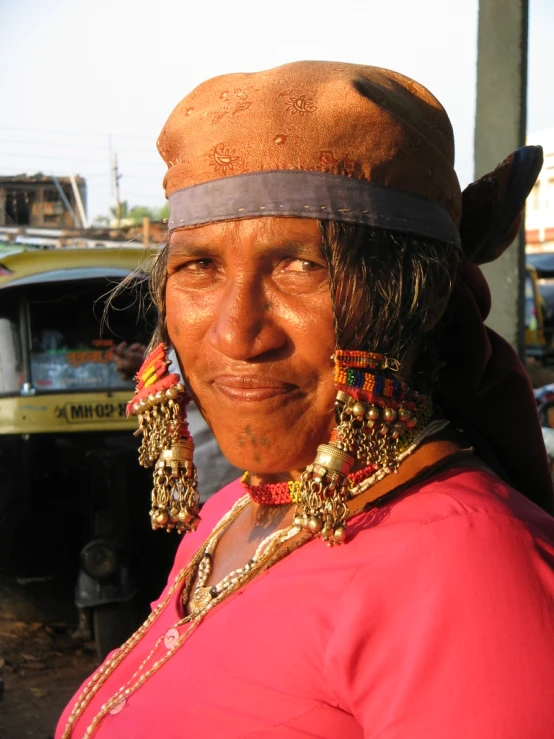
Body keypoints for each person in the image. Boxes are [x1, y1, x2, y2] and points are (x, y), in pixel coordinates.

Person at [56, 61, 554, 739]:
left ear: (415, 299)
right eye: (198, 266)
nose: (237, 333)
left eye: (300, 264)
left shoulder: (465, 567)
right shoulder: (236, 510)